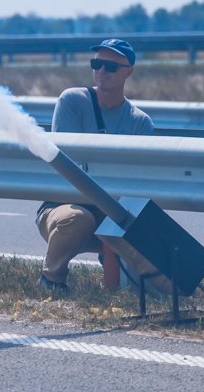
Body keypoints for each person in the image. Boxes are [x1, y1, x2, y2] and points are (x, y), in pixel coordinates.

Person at [35, 38, 153, 292]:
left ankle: (118, 285)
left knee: (138, 224)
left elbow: (138, 180)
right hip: (63, 206)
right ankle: (51, 280)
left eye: (111, 67)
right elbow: (68, 165)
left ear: (128, 72)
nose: (101, 71)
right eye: (96, 64)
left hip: (112, 210)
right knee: (78, 218)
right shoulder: (72, 100)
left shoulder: (140, 122)